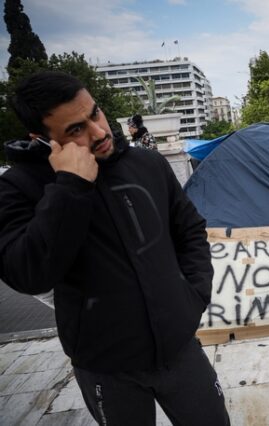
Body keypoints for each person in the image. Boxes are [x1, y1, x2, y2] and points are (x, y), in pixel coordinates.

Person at [0, 71, 229, 425]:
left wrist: (194, 295)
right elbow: (27, 273)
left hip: (179, 347)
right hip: (106, 366)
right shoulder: (20, 188)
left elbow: (190, 230)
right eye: (75, 130)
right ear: (42, 139)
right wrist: (70, 186)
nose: (99, 132)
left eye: (95, 113)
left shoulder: (147, 164)